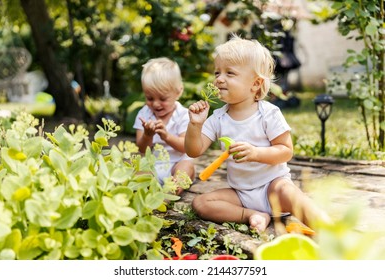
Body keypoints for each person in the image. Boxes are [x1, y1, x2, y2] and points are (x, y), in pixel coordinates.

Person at [185, 34, 331, 232]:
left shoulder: (268, 113)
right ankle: (254, 215)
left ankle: (330, 232)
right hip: (241, 195)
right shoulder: (218, 117)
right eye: (217, 72)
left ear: (255, 84)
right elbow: (194, 151)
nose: (219, 79)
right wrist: (195, 125)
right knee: (201, 203)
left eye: (230, 73)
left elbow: (285, 151)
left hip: (273, 187)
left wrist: (255, 153)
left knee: (291, 193)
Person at [133, 57, 195, 195]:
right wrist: (147, 135)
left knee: (187, 166)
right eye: (149, 98)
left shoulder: (183, 115)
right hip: (152, 164)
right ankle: (148, 191)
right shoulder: (143, 114)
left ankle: (172, 190)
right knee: (138, 169)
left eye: (162, 98)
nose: (155, 104)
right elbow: (142, 148)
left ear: (178, 92)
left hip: (176, 163)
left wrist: (166, 136)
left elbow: (186, 147)